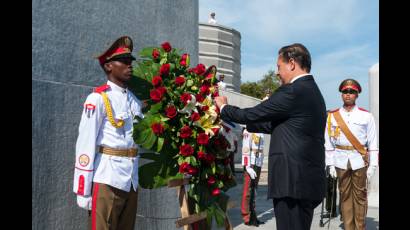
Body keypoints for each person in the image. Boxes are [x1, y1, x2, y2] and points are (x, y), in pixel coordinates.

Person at [214, 43, 327, 230]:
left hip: (292, 182)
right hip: (305, 182)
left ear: (291, 63)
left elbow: (252, 114)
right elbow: (276, 125)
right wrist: (242, 125)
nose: (277, 72)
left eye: (278, 66)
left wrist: (224, 108)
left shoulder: (293, 90)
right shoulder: (312, 91)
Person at [73, 36, 144, 230]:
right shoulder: (97, 99)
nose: (130, 66)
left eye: (131, 62)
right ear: (108, 66)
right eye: (124, 61)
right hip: (107, 178)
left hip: (131, 180)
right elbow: (85, 143)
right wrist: (83, 189)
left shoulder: (134, 101)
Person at [325, 79, 378, 230]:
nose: (348, 95)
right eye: (345, 92)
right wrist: (330, 164)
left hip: (359, 160)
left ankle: (360, 227)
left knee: (360, 197)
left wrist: (373, 165)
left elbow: (373, 142)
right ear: (342, 94)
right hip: (340, 160)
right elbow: (328, 142)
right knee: (345, 195)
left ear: (357, 95)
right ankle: (349, 227)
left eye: (351, 92)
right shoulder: (333, 116)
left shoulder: (366, 116)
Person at [240, 128, 265, 226]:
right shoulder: (248, 130)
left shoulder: (260, 129)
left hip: (258, 162)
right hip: (250, 163)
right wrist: (247, 166)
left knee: (254, 190)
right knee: (247, 191)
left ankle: (253, 215)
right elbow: (245, 149)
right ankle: (246, 217)